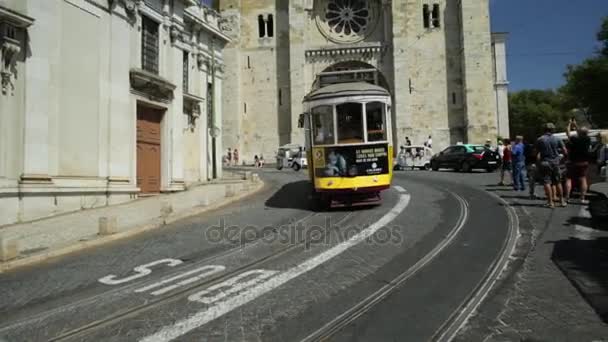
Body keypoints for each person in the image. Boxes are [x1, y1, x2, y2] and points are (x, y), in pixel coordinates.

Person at [536, 123, 567, 208]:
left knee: (547, 182)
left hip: (545, 162)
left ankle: (550, 202)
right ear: (553, 130)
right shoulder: (557, 139)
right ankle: (562, 201)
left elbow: (536, 153)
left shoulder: (540, 139)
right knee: (558, 182)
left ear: (544, 130)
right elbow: (565, 151)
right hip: (555, 162)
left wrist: (538, 163)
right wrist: (561, 158)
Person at [565, 119, 591, 204]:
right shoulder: (587, 139)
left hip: (573, 162)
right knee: (583, 179)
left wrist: (570, 124)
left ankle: (567, 197)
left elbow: (568, 133)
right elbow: (581, 133)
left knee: (569, 179)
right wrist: (576, 125)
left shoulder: (574, 139)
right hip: (584, 162)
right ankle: (582, 198)